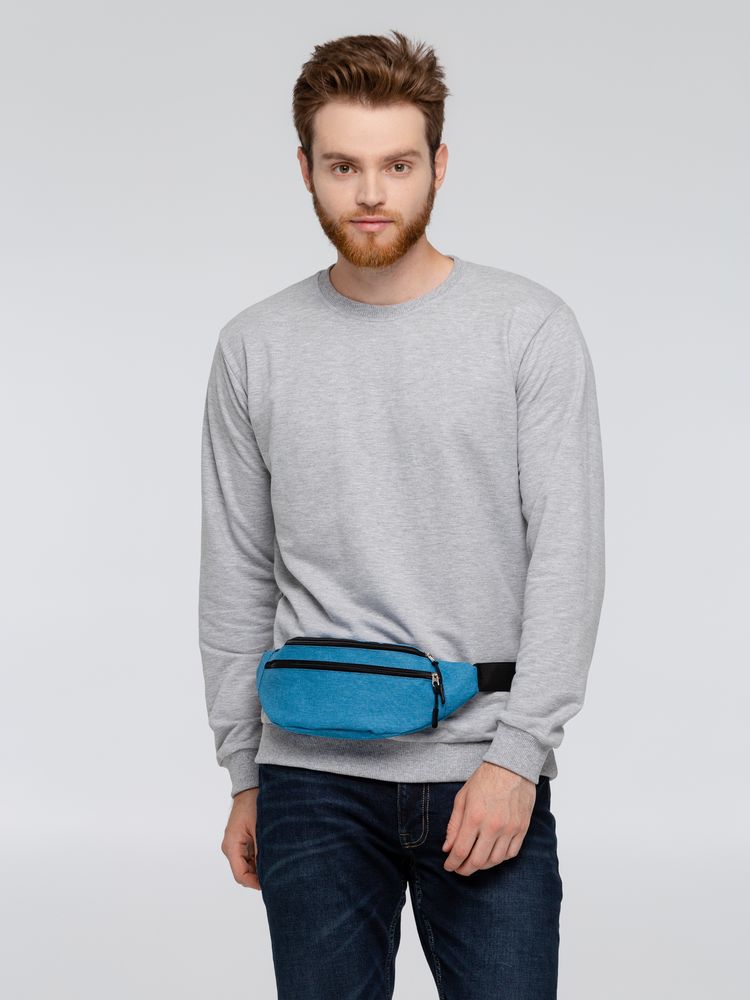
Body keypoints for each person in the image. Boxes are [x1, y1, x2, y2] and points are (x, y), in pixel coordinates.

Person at [199, 29, 605, 1000]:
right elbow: (237, 572)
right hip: (308, 779)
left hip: (482, 767)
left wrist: (519, 759)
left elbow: (568, 558)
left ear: (439, 164)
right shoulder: (254, 347)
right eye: (343, 166)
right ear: (305, 168)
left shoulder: (527, 330)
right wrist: (244, 772)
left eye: (397, 164)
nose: (371, 194)